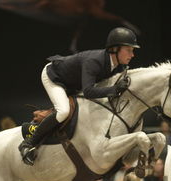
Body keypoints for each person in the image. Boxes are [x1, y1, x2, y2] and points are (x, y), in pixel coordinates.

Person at [19, 27, 140, 165]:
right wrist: (114, 89)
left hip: (73, 83)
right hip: (54, 77)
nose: (132, 54)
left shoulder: (118, 66)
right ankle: (28, 144)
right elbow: (88, 92)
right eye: (129, 50)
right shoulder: (94, 61)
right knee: (63, 111)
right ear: (115, 49)